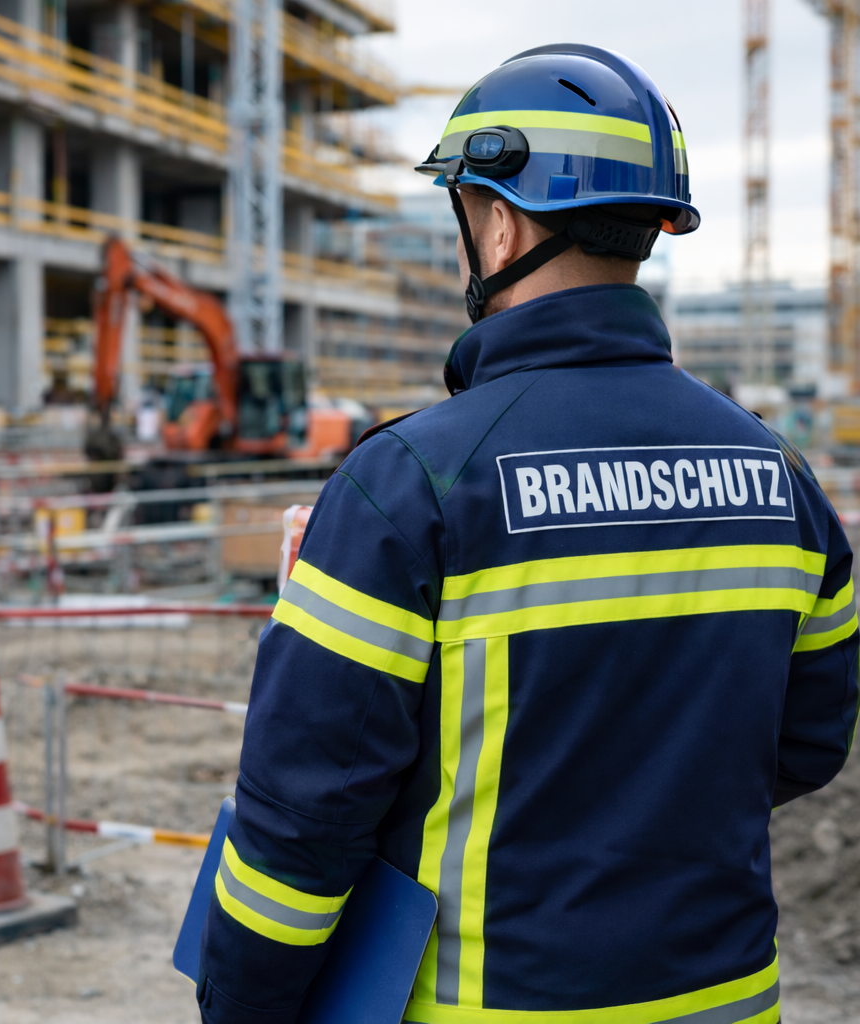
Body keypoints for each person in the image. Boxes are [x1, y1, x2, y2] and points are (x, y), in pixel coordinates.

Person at [197, 44, 859, 1024]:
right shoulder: (780, 477)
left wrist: (240, 1007)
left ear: (499, 226)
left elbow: (300, 823)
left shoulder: (410, 484)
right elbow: (807, 741)